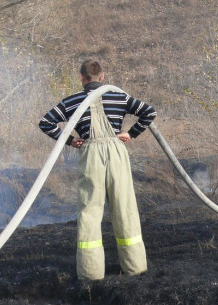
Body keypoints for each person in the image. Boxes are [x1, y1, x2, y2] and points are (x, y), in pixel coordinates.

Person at [39, 59, 157, 280]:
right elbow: (149, 112)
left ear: (82, 79)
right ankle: (135, 267)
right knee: (125, 208)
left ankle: (91, 273)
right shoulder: (118, 96)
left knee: (89, 210)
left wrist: (70, 140)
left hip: (90, 153)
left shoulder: (72, 101)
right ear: (102, 77)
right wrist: (131, 133)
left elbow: (46, 122)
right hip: (116, 152)